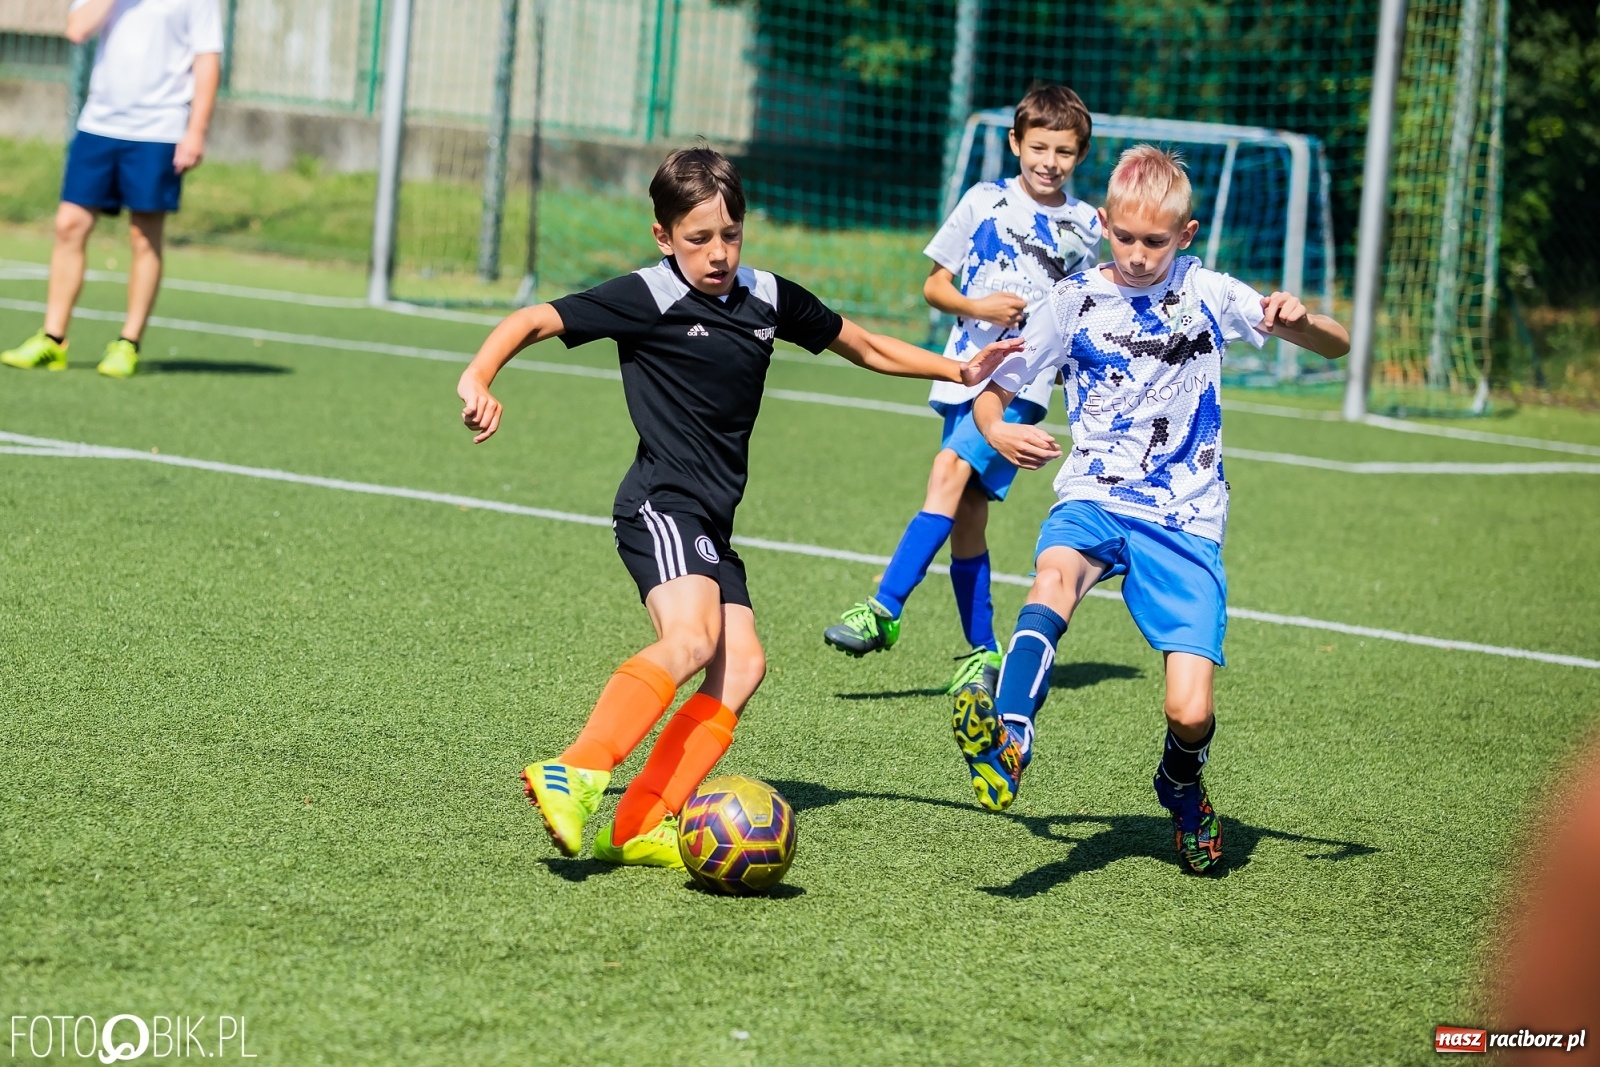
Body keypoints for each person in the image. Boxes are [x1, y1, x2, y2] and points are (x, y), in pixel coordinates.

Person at [456, 146, 1018, 869]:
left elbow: (864, 345)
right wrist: (479, 373)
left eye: (731, 234)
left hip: (712, 522)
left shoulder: (766, 297)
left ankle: (635, 824)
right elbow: (536, 318)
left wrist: (959, 369)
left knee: (742, 665)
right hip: (661, 505)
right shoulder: (647, 295)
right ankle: (578, 766)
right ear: (663, 237)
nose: (718, 253)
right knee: (690, 642)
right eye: (698, 239)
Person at [954, 145, 1349, 873]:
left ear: (1186, 235)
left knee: (1190, 712)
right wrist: (996, 427)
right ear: (1104, 223)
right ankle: (1011, 737)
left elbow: (1337, 346)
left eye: (1156, 242)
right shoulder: (1071, 301)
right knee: (1052, 578)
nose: (1137, 255)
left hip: (1187, 519)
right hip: (1095, 496)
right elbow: (995, 388)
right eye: (1125, 238)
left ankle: (1181, 784)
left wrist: (1300, 319)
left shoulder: (1209, 292)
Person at [821, 86, 1103, 696]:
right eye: (1038, 147)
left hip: (1020, 381)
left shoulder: (1086, 226)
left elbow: (1083, 307)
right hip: (964, 373)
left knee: (947, 472)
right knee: (967, 517)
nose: (1049, 162)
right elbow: (935, 287)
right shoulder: (984, 201)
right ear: (1015, 143)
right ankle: (984, 650)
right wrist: (978, 305)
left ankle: (884, 608)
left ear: (1080, 155)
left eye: (1064, 151)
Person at [0, 0, 222, 379]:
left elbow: (207, 60)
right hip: (99, 124)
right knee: (70, 224)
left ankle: (128, 343)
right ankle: (53, 340)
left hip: (160, 128)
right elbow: (76, 29)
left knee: (143, 235)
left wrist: (196, 130)